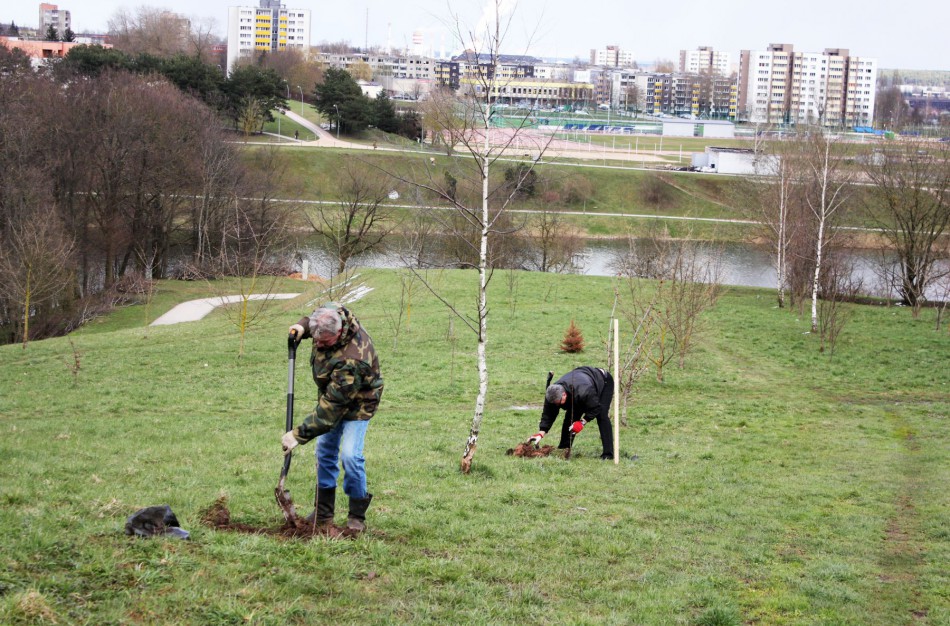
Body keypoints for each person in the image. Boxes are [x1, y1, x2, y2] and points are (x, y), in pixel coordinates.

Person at [281, 303, 384, 533]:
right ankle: (324, 511)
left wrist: (298, 435)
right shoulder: (331, 316)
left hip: (358, 404)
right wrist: (302, 325)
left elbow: (332, 409)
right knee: (325, 451)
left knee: (350, 456)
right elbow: (315, 321)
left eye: (323, 342)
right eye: (316, 340)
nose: (317, 344)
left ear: (338, 334)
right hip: (333, 395)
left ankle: (356, 516)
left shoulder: (353, 359)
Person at [527, 366, 614, 460]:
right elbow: (548, 414)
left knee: (602, 416)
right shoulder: (552, 393)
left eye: (559, 403)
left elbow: (596, 408)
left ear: (564, 394)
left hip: (603, 381)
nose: (557, 405)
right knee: (570, 418)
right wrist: (541, 433)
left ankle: (608, 454)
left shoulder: (584, 391)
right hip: (580, 383)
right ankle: (564, 450)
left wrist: (582, 422)